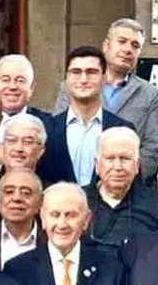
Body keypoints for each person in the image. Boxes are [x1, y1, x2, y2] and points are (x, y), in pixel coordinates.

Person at [55, 18, 158, 176]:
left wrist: (129, 179)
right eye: (122, 41)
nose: (128, 49)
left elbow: (153, 147)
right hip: (71, 179)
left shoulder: (149, 93)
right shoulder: (74, 86)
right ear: (106, 45)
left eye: (135, 45)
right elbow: (58, 134)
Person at [39, 46, 135, 188]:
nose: (83, 79)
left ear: (104, 78)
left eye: (91, 72)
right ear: (66, 79)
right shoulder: (46, 129)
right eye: (76, 72)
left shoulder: (123, 129)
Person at [84, 127, 158, 250]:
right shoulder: (78, 201)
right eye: (110, 158)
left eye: (125, 159)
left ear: (137, 165)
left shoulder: (157, 204)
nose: (117, 167)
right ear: (97, 165)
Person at [0, 168, 45, 271]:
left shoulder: (52, 242)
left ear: (40, 202)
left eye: (26, 193)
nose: (17, 198)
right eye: (9, 192)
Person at [0, 53, 53, 141]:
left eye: (20, 81)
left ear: (31, 88)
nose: (12, 87)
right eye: (5, 80)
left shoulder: (49, 125)